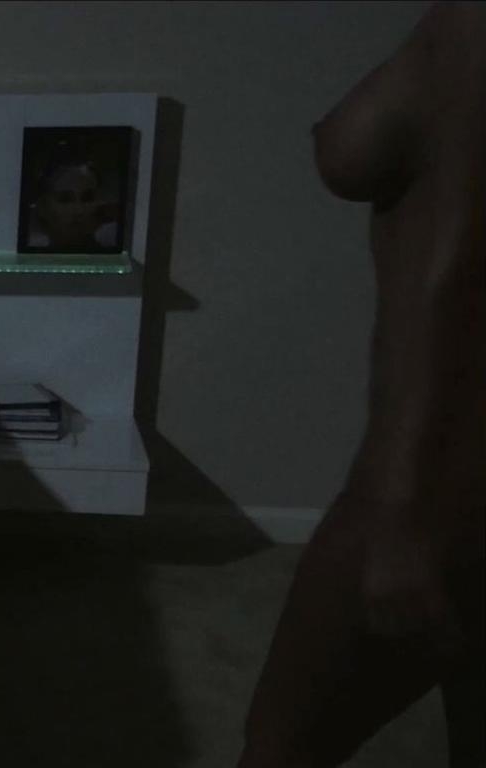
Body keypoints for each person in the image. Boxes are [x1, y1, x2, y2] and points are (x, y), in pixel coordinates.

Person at [241, 3, 483, 766]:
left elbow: (456, 272)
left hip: (441, 486)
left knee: (279, 750)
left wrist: (402, 518)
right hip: (447, 479)